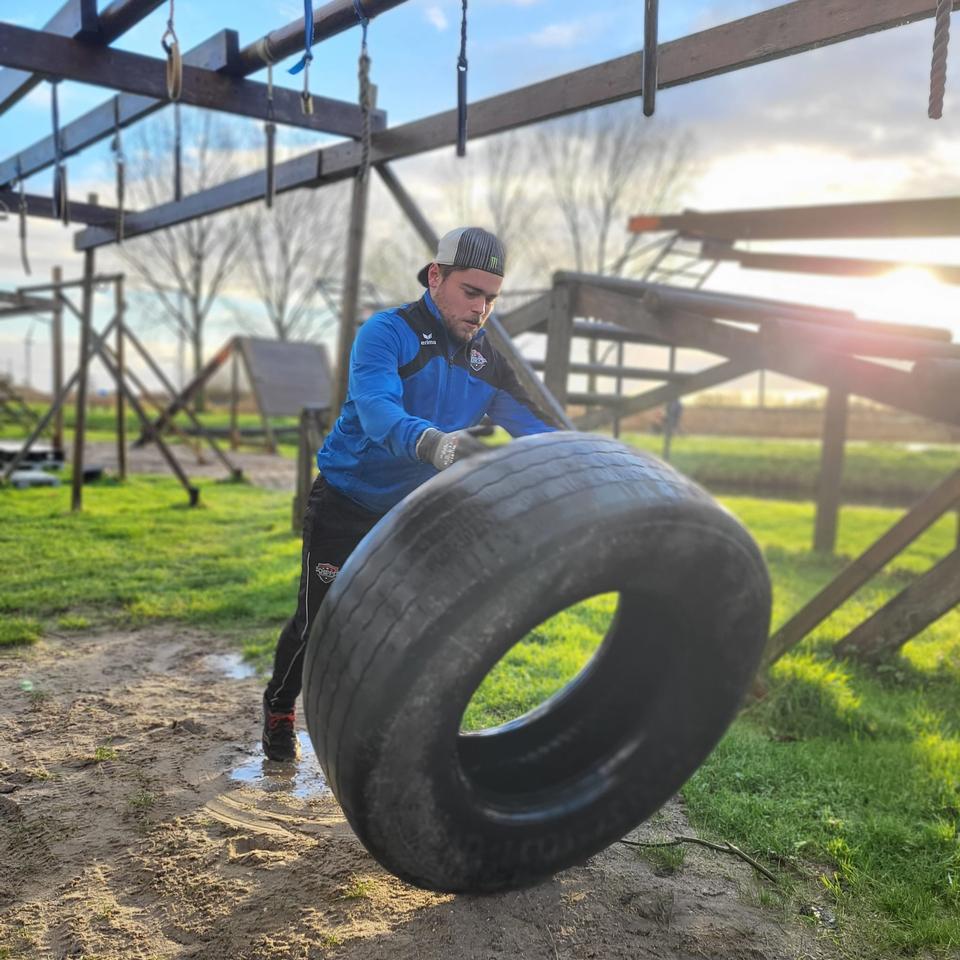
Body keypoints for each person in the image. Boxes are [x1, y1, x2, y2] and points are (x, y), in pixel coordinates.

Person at [261, 226, 563, 761]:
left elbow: (533, 428)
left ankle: (395, 735)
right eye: (471, 292)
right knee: (320, 619)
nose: (481, 309)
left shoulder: (488, 358)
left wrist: (583, 459)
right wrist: (431, 443)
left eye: (491, 298)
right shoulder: (387, 333)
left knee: (414, 625)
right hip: (347, 500)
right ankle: (281, 707)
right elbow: (378, 411)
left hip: (415, 512)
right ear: (434, 277)